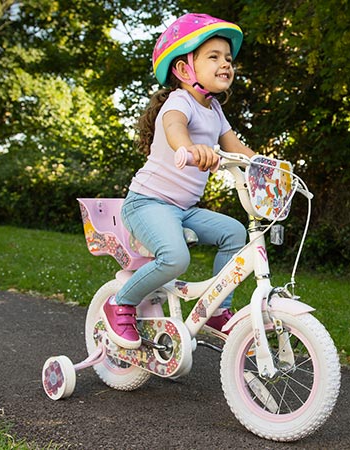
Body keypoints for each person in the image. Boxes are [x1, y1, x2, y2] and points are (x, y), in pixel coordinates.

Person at [102, 13, 255, 349]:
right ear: (186, 69)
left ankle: (217, 311)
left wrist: (266, 165)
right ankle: (120, 303)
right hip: (147, 203)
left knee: (235, 233)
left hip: (183, 209)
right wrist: (189, 147)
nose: (225, 63)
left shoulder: (215, 110)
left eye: (228, 58)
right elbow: (174, 128)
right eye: (213, 57)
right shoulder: (179, 101)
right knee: (175, 257)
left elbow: (237, 148)